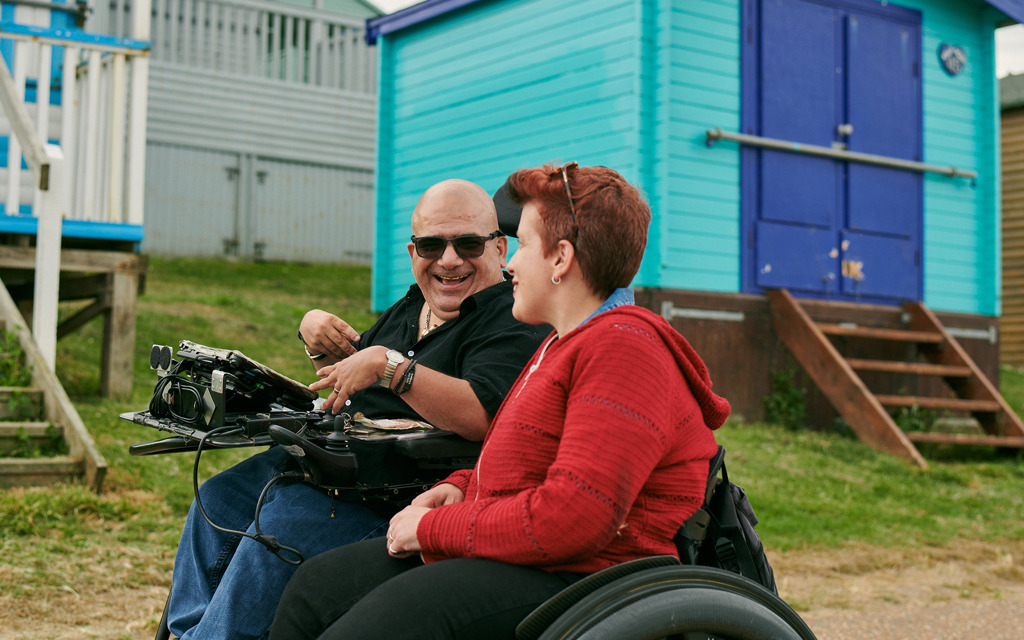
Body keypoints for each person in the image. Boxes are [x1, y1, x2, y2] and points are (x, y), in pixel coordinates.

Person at [268, 163, 731, 640]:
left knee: (370, 627)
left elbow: (575, 517)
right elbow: (536, 461)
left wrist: (435, 528)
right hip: (530, 553)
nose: (510, 263)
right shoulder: (564, 343)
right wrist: (463, 486)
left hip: (587, 576)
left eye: (524, 244)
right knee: (315, 590)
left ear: (561, 259)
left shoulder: (623, 351)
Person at [164, 178, 550, 640]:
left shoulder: (509, 316)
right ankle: (190, 633)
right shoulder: (411, 306)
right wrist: (316, 339)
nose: (448, 260)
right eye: (431, 245)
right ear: (412, 253)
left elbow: (480, 416)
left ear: (499, 249)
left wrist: (394, 368)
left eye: (467, 243)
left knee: (278, 525)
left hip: (396, 492)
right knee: (217, 498)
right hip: (334, 468)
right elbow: (347, 384)